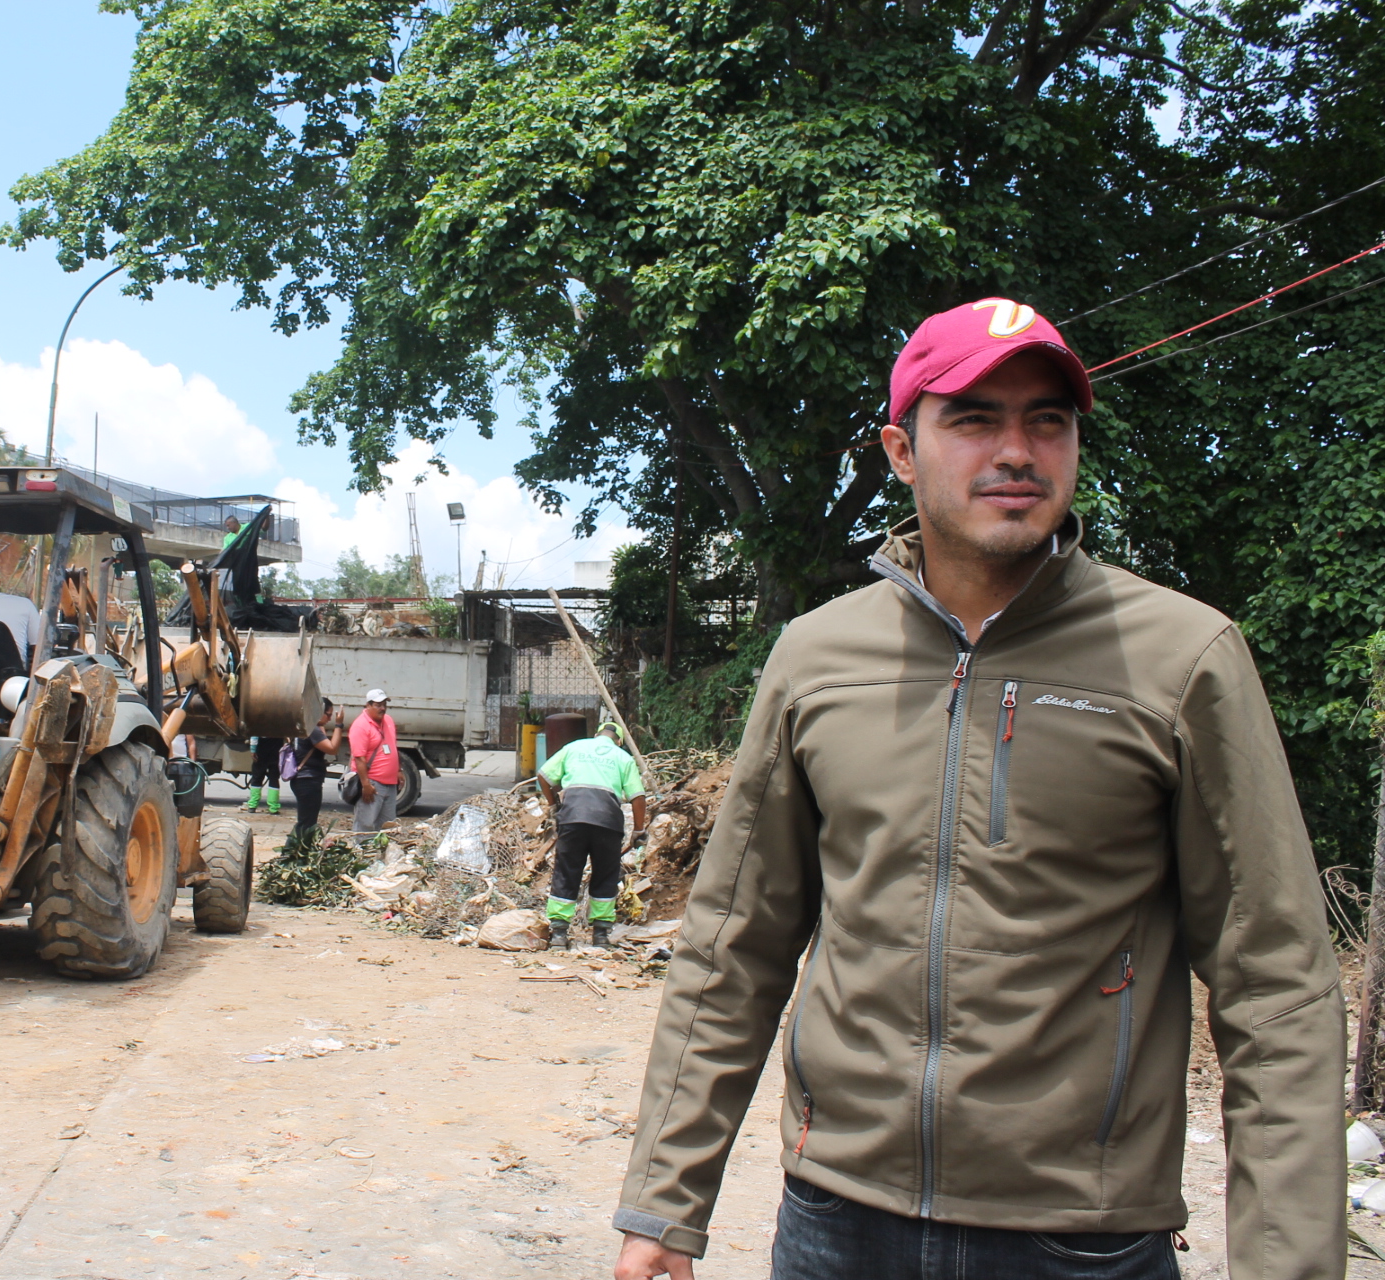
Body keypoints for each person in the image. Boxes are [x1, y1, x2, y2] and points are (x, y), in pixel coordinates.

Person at [613, 299, 1343, 1280]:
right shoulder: (818, 658)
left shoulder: (1180, 660)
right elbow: (733, 943)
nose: (1018, 448)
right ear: (902, 451)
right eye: (973, 417)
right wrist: (666, 1200)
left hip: (1080, 1240)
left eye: (1048, 419)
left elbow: (1278, 983)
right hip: (838, 1221)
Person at [537, 722, 647, 951]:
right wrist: (638, 830)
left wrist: (552, 804)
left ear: (596, 735)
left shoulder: (575, 747)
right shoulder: (623, 757)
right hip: (608, 822)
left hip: (573, 817)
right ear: (619, 741)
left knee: (567, 871)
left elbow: (544, 775)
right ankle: (600, 936)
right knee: (606, 875)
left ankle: (558, 934)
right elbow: (637, 796)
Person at [289, 699, 345, 842]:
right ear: (318, 712)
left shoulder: (306, 725)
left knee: (305, 821)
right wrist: (339, 725)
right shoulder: (312, 729)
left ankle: (295, 852)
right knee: (307, 824)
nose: (330, 718)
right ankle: (291, 853)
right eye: (328, 714)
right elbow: (332, 749)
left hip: (302, 780)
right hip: (308, 781)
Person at [348, 689, 401, 839]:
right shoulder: (361, 726)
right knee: (366, 825)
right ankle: (362, 855)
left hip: (390, 784)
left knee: (387, 825)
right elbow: (359, 758)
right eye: (378, 705)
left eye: (384, 704)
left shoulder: (388, 721)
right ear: (368, 705)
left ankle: (380, 857)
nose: (382, 708)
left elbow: (393, 746)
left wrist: (399, 769)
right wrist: (365, 785)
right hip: (372, 784)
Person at [243, 735, 285, 815]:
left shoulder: (261, 724)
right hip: (276, 752)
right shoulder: (279, 724)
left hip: (261, 752)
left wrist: (253, 750)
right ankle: (273, 808)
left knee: (257, 778)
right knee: (274, 779)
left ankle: (252, 806)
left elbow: (254, 737)